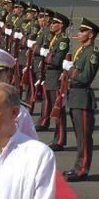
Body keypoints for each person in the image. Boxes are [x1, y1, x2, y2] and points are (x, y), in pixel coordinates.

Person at [61, 18, 99, 182]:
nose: (78, 34)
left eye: (82, 31)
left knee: (84, 137)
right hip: (75, 97)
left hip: (82, 99)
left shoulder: (93, 53)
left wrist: (69, 68)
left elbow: (85, 77)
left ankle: (82, 170)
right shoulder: (82, 50)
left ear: (90, 34)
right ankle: (77, 167)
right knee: (79, 137)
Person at [38, 12, 70, 152]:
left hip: (56, 76)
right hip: (50, 75)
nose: (52, 24)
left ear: (61, 25)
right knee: (54, 109)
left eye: (54, 23)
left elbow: (57, 61)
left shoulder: (63, 41)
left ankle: (60, 140)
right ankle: (57, 138)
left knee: (58, 110)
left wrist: (47, 56)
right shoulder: (56, 38)